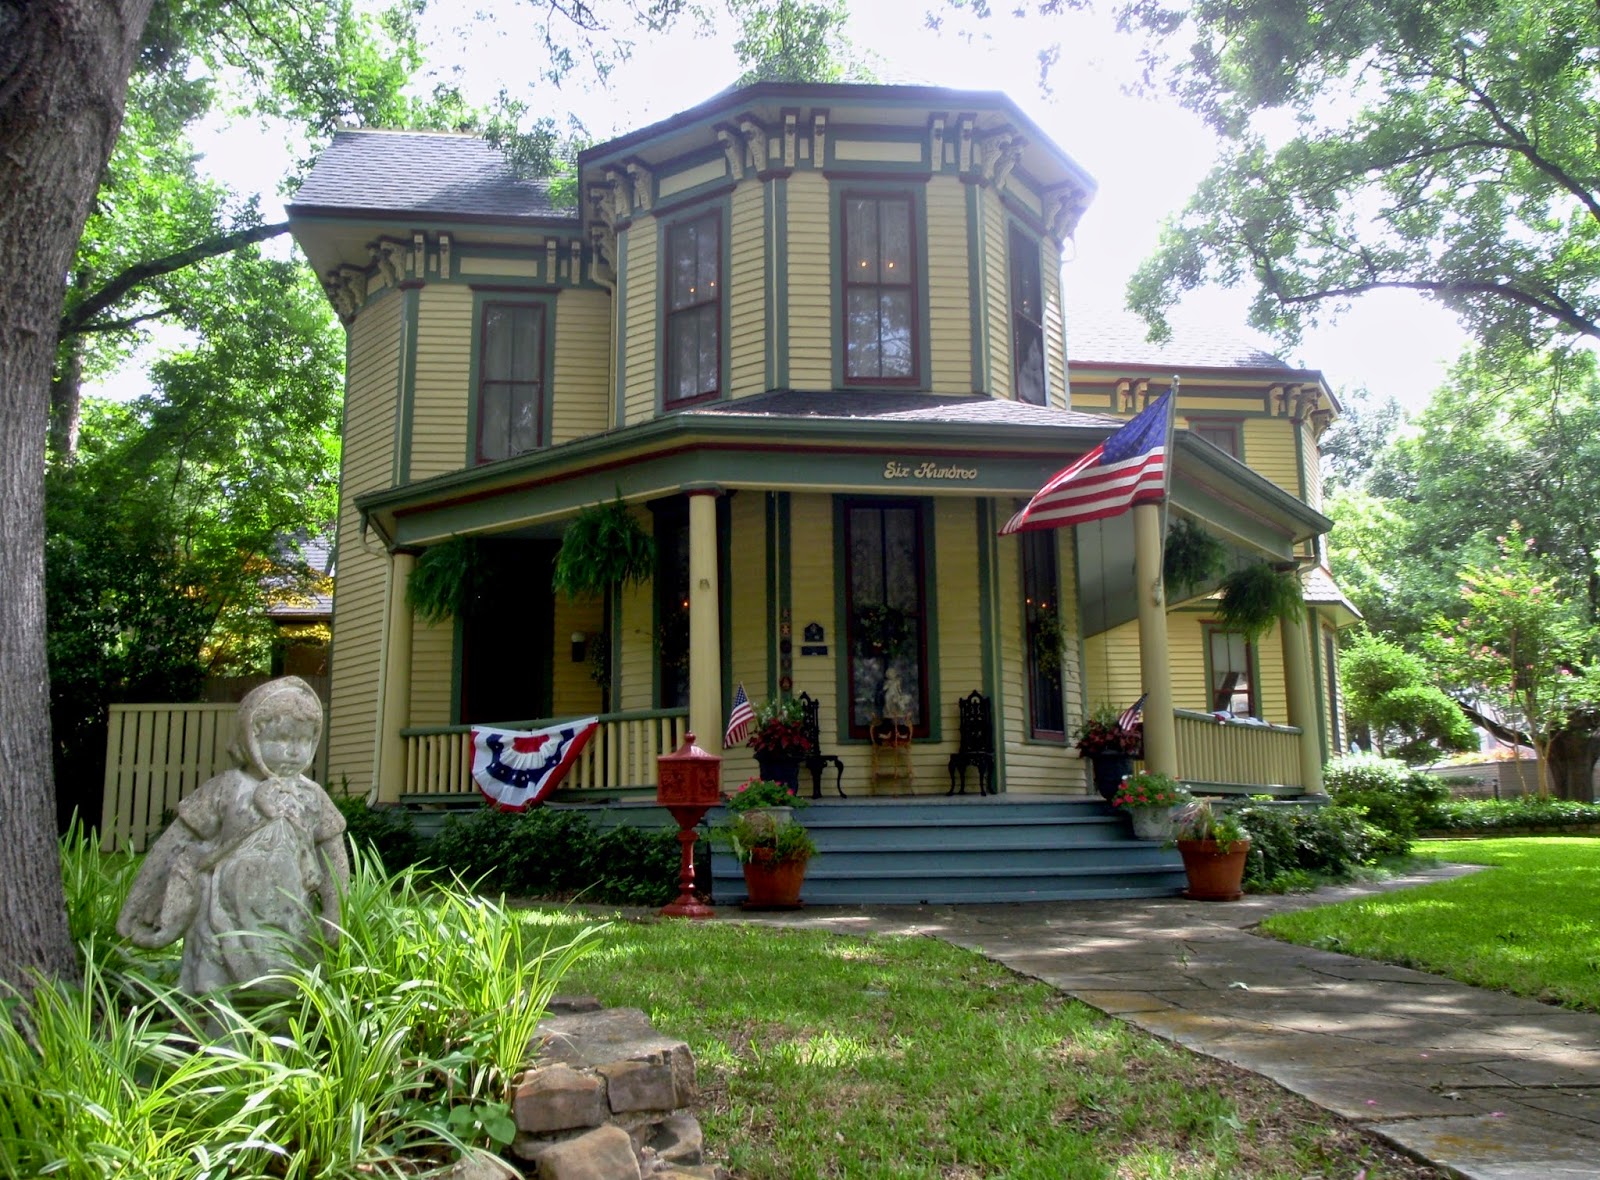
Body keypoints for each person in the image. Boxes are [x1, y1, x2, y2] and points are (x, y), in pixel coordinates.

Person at [117, 677, 349, 994]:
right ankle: (216, 1032)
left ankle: (278, 1036)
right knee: (218, 985)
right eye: (281, 737)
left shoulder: (312, 797)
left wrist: (335, 909)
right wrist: (139, 902)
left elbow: (332, 852)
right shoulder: (227, 788)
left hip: (288, 915)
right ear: (252, 736)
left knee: (284, 984)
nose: (295, 750)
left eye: (305, 740)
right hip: (221, 913)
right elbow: (176, 842)